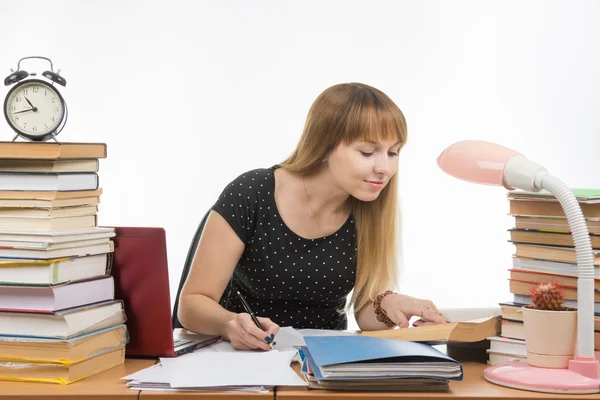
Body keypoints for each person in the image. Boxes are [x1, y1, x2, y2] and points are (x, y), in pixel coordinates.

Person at [178, 82, 447, 351]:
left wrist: (388, 304)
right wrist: (229, 324)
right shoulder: (252, 193)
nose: (384, 168)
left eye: (393, 152)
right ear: (324, 145)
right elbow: (191, 304)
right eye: (367, 152)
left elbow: (364, 312)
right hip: (242, 358)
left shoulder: (372, 206)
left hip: (323, 363)